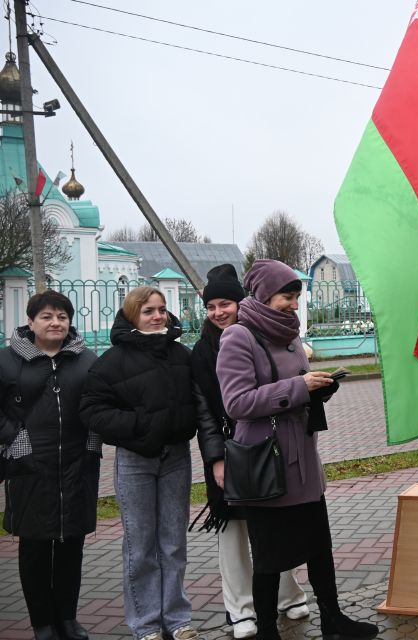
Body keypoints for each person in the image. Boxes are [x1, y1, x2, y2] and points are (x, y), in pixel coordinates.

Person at [216, 259, 378, 640]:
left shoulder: (290, 335)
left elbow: (299, 389)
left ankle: (334, 621)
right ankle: (268, 629)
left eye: (295, 297)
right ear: (263, 295)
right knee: (270, 558)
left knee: (319, 546)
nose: (292, 304)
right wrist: (299, 388)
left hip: (303, 459)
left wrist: (320, 388)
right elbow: (236, 404)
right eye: (286, 297)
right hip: (268, 464)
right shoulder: (239, 337)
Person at [191, 265, 311, 639]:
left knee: (275, 526)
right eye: (210, 306)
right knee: (232, 531)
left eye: (224, 303)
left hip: (265, 445)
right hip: (229, 451)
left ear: (241, 303)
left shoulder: (260, 335)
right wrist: (216, 458)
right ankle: (240, 609)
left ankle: (287, 594)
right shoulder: (201, 351)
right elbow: (205, 412)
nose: (217, 312)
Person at [79, 287, 200, 640]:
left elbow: (198, 398)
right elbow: (92, 410)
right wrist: (139, 427)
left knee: (174, 543)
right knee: (140, 544)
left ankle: (178, 620)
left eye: (162, 309)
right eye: (149, 311)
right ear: (133, 315)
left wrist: (183, 423)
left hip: (176, 457)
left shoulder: (181, 354)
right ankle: (146, 624)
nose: (158, 316)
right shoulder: (112, 361)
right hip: (135, 461)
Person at [0, 292, 99, 640]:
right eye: (46, 316)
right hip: (30, 465)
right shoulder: (8, 361)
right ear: (31, 322)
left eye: (61, 316)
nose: (55, 322)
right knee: (35, 546)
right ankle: (43, 622)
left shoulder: (86, 359)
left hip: (78, 463)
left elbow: (100, 403)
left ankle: (68, 619)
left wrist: (95, 438)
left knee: (72, 544)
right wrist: (15, 438)